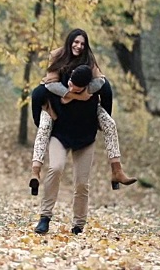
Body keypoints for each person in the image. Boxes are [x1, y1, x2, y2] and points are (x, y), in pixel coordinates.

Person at [28, 29, 136, 196]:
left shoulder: (89, 59)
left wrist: (85, 93)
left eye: (82, 44)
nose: (78, 46)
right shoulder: (57, 55)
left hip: (88, 103)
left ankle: (117, 170)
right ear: (70, 41)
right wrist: (72, 95)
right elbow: (50, 85)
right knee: (44, 127)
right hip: (54, 100)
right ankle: (35, 170)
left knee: (110, 123)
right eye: (76, 42)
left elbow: (101, 82)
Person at [34, 64, 101, 235]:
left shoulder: (92, 94)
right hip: (60, 136)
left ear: (86, 87)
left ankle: (78, 225)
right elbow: (37, 94)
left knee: (81, 183)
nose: (70, 87)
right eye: (70, 82)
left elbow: (107, 94)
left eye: (75, 87)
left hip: (85, 139)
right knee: (55, 168)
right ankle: (45, 217)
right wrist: (38, 122)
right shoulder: (59, 86)